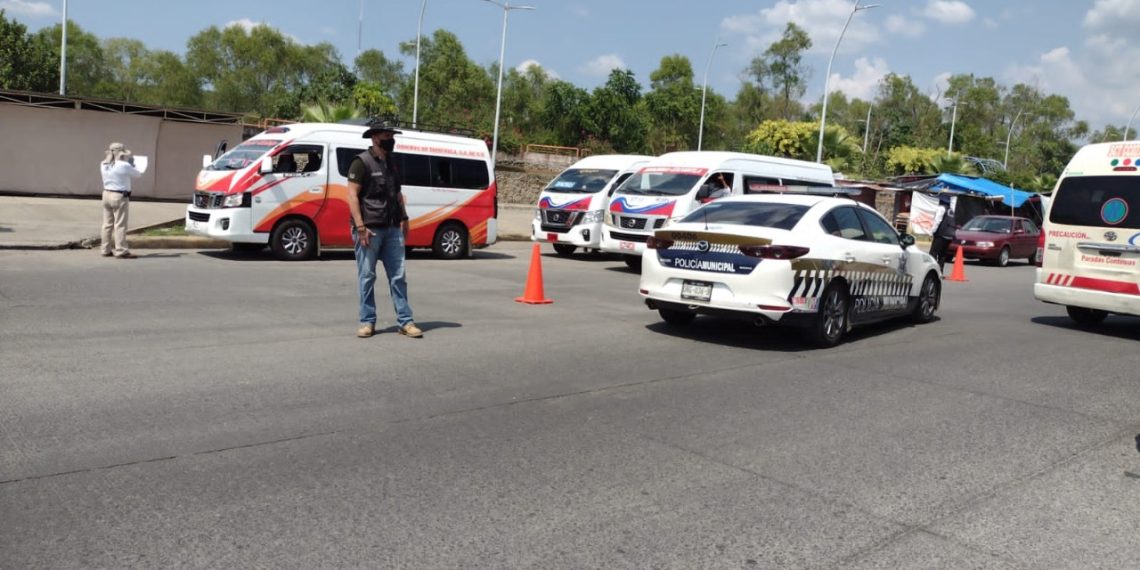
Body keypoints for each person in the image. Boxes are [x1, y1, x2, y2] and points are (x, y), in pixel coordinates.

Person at [346, 119, 423, 339]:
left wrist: (405, 218)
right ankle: (367, 321)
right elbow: (351, 195)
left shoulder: (392, 162)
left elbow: (397, 193)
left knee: (398, 277)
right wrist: (360, 226)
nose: (391, 140)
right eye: (387, 136)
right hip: (369, 230)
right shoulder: (361, 162)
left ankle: (405, 322)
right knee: (367, 277)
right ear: (375, 137)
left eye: (392, 136)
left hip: (392, 229)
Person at [99, 142, 143, 259]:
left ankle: (105, 249)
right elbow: (138, 174)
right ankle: (121, 250)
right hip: (119, 196)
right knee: (120, 225)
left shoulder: (103, 164)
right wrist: (133, 165)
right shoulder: (124, 165)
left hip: (106, 195)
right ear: (121, 153)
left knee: (107, 225)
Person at [929, 194, 957, 272]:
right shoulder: (951, 210)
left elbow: (937, 221)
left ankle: (933, 271)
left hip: (941, 234)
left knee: (933, 252)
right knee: (942, 254)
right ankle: (940, 270)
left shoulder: (941, 208)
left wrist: (932, 232)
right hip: (949, 235)